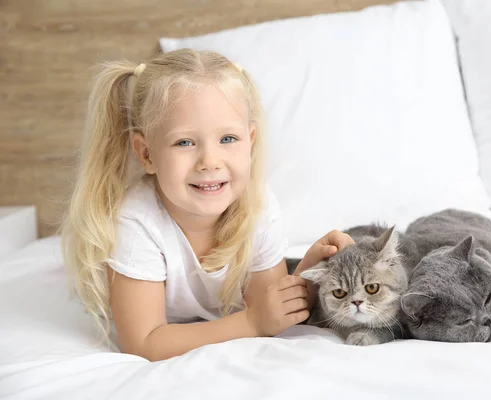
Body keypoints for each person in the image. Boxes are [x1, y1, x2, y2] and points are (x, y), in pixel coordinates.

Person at [60, 49, 354, 362]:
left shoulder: (257, 203)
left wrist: (308, 273)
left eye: (227, 139)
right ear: (146, 154)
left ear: (250, 141)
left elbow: (269, 310)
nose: (209, 162)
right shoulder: (136, 222)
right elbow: (144, 342)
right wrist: (251, 322)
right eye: (184, 142)